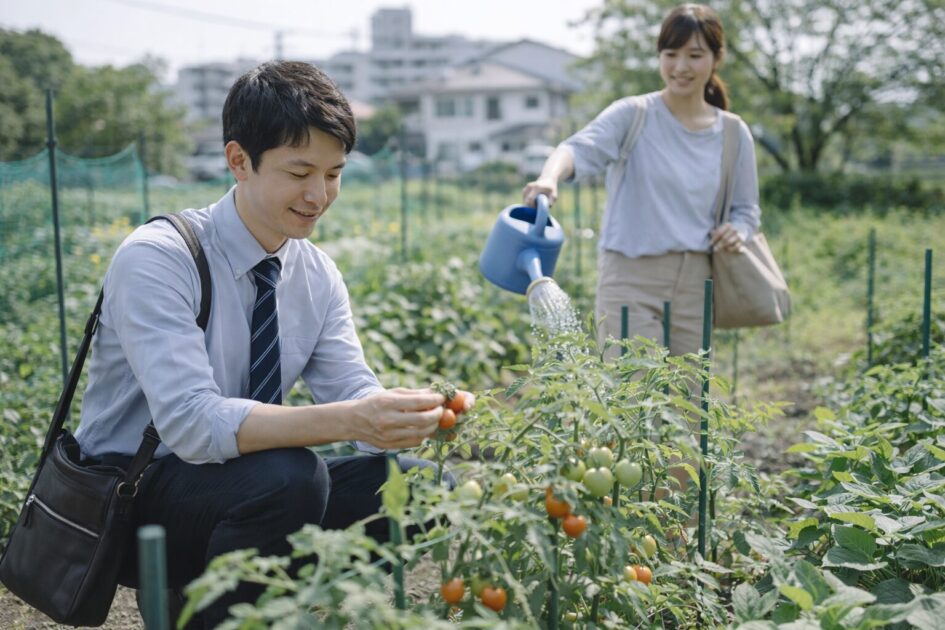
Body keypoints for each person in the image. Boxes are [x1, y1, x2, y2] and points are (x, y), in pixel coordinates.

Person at [74, 60, 472, 628]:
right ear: (239, 161)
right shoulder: (159, 256)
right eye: (299, 171)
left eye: (334, 173)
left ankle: (254, 599)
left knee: (421, 489)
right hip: (131, 494)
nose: (319, 195)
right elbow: (190, 424)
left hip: (249, 487)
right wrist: (353, 420)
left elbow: (351, 388)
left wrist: (406, 414)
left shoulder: (315, 273)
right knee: (288, 477)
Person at [523, 3, 761, 357]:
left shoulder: (732, 132)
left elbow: (746, 211)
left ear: (716, 57)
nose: (681, 67)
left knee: (691, 402)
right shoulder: (633, 115)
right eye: (671, 54)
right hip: (629, 278)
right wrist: (549, 177)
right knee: (630, 397)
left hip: (697, 279)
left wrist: (736, 231)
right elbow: (575, 148)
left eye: (695, 55)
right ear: (659, 56)